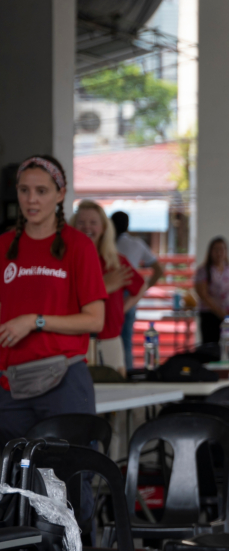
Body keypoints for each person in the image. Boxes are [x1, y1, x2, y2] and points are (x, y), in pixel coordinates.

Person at [0, 156, 106, 443]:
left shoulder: (79, 246)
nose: (31, 199)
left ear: (60, 195)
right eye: (24, 190)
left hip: (64, 381)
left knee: (68, 479)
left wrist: (35, 322)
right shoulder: (4, 246)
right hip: (10, 386)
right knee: (16, 481)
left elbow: (96, 320)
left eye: (41, 191)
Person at [73, 201, 145, 375]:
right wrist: (105, 286)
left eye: (93, 222)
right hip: (78, 341)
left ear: (104, 228)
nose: (87, 227)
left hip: (110, 340)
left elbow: (141, 286)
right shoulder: (67, 262)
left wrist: (122, 308)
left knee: (116, 394)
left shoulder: (115, 262)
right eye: (81, 222)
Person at [111, 210, 163, 372]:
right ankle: (127, 373)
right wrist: (143, 289)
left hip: (109, 292)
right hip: (130, 292)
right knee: (126, 339)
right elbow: (159, 270)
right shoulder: (136, 243)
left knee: (108, 337)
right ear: (128, 225)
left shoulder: (105, 244)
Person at [192, 237, 229, 356]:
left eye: (222, 249)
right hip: (211, 316)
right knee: (212, 351)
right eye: (216, 250)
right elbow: (203, 294)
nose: (219, 253)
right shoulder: (204, 271)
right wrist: (220, 312)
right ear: (210, 252)